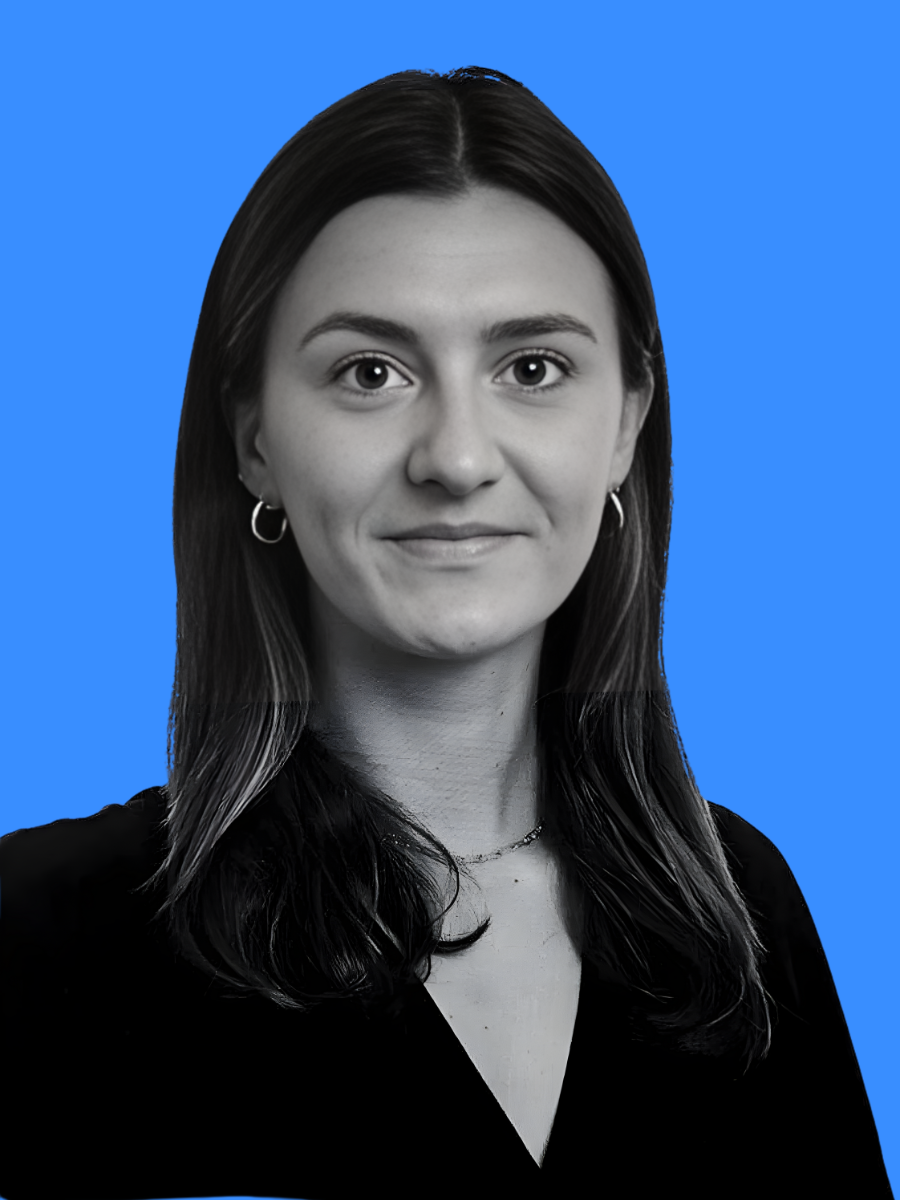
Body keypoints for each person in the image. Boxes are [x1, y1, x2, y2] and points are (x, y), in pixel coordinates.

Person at [0, 66, 892, 1200]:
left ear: (624, 424)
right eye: (370, 373)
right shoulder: (39, 940)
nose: (458, 458)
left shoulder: (740, 914)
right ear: (254, 438)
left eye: (533, 368)